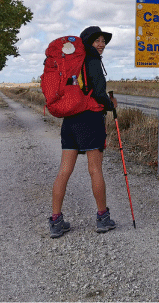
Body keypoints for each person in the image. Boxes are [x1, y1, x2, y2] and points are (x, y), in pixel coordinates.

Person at [49, 25, 118, 237]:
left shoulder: (72, 63)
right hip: (89, 118)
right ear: (87, 42)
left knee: (64, 170)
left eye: (103, 41)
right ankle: (102, 219)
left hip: (70, 119)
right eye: (97, 40)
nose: (101, 44)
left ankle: (56, 221)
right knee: (95, 169)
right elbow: (98, 93)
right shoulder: (93, 61)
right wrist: (111, 104)